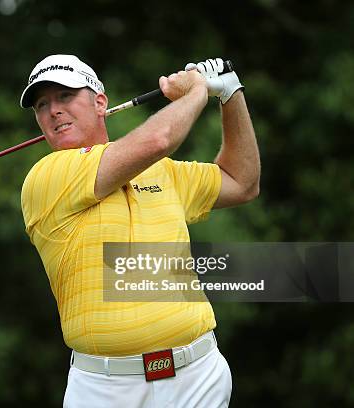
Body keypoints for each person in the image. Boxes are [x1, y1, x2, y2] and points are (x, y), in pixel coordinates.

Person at [19, 54, 260, 407]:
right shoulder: (46, 177)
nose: (53, 110)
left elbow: (243, 182)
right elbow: (157, 139)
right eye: (42, 104)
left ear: (100, 102)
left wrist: (229, 94)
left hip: (197, 376)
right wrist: (196, 91)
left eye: (65, 96)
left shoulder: (163, 172)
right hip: (105, 389)